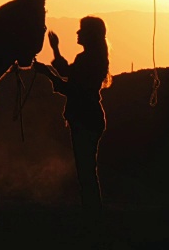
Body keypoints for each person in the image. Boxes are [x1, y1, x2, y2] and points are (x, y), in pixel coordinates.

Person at [34, 16, 112, 224]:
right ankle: (93, 213)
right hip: (91, 117)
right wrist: (56, 51)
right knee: (87, 169)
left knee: (85, 171)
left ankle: (93, 216)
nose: (77, 33)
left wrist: (47, 74)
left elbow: (71, 87)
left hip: (85, 119)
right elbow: (69, 74)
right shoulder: (93, 58)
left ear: (90, 35)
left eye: (81, 30)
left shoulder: (87, 59)